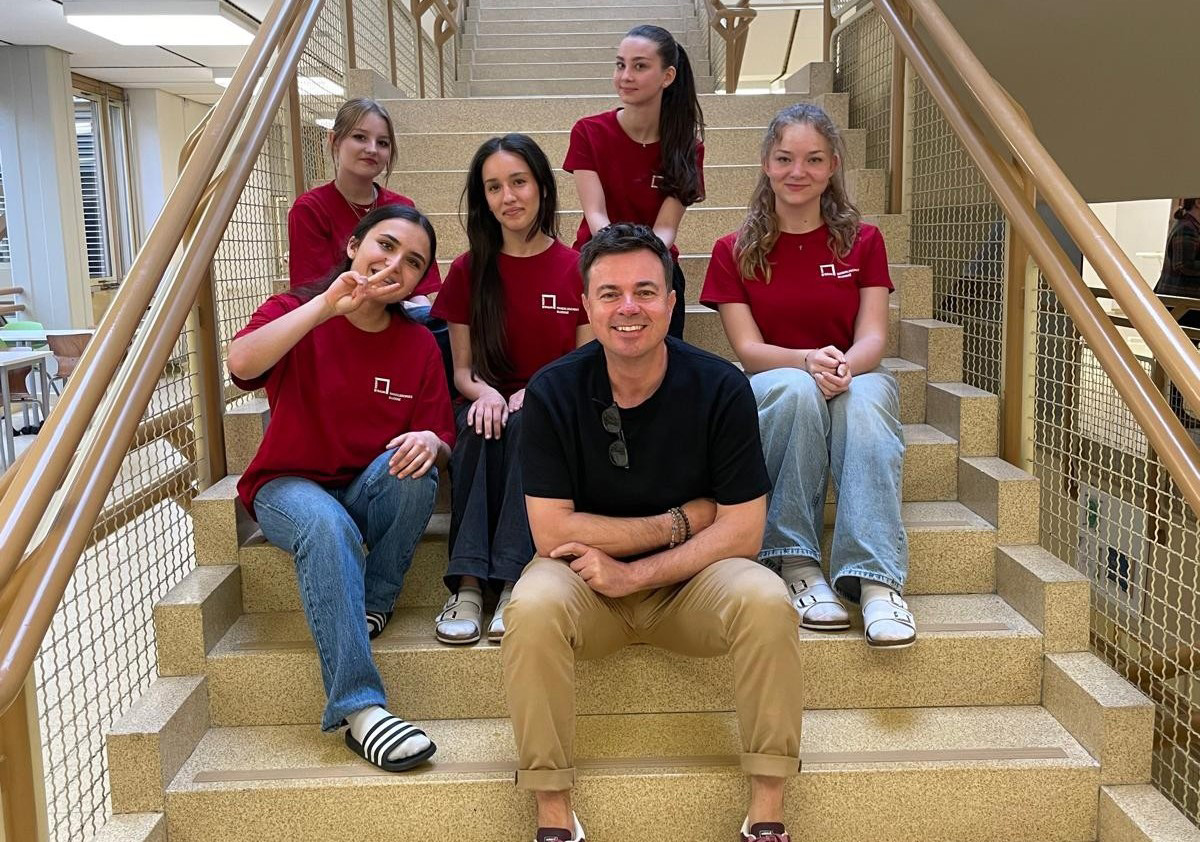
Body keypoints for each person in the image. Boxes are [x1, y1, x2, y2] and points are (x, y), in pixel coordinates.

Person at [504, 224, 804, 842]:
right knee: (530, 607)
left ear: (671, 301)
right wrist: (682, 521)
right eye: (609, 294)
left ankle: (766, 814)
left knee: (767, 599)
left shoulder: (720, 386)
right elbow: (551, 531)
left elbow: (745, 530)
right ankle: (553, 815)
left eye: (645, 291)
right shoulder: (553, 390)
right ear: (586, 306)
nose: (629, 308)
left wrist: (633, 572)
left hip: (692, 589)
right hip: (585, 585)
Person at [228, 204, 455, 773]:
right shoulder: (295, 310)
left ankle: (374, 600)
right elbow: (242, 363)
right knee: (326, 525)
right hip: (287, 485)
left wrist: (431, 440)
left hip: (361, 488)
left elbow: (442, 437)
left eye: (413, 262)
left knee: (416, 468)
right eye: (385, 245)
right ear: (354, 246)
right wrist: (326, 306)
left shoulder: (418, 345)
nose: (394, 265)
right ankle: (360, 710)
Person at [700, 103, 914, 649]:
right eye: (785, 158)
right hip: (777, 376)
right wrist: (806, 362)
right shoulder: (733, 250)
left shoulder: (864, 241)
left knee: (863, 401)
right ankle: (794, 561)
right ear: (766, 164)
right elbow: (748, 351)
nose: (798, 171)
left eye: (814, 159)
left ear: (833, 165)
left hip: (852, 370)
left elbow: (873, 337)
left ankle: (875, 581)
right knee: (796, 391)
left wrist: (844, 366)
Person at [430, 134, 592, 645]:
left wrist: (536, 391)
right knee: (480, 427)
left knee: (528, 423)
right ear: (484, 198)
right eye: (494, 187)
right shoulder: (468, 270)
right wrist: (486, 394)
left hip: (556, 406)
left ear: (542, 186)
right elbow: (462, 371)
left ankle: (515, 580)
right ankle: (468, 584)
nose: (509, 197)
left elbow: (585, 363)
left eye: (518, 182)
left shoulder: (577, 267)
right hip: (486, 400)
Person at [563, 24, 705, 339]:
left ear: (667, 76)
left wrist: (640, 264)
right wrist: (621, 262)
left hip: (656, 258)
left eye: (639, 66)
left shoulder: (687, 147)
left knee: (665, 286)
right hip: (597, 256)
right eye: (620, 65)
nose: (625, 76)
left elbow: (666, 227)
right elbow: (596, 215)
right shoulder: (588, 132)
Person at [1155, 198, 1200, 329]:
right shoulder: (1187, 228)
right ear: (1198, 203)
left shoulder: (1191, 226)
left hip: (1184, 301)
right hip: (1182, 300)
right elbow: (1183, 265)